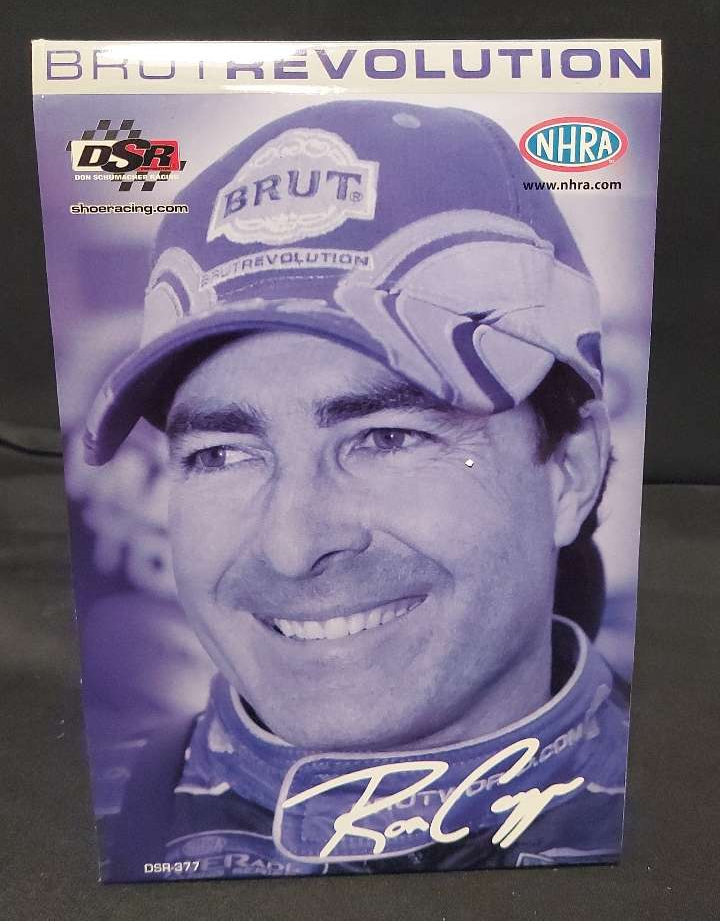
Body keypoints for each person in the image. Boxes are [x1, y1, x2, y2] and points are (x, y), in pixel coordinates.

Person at [85, 100, 629, 881]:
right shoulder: (66, 834)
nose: (293, 544)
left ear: (571, 471)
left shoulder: (690, 811)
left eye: (387, 439)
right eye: (222, 453)